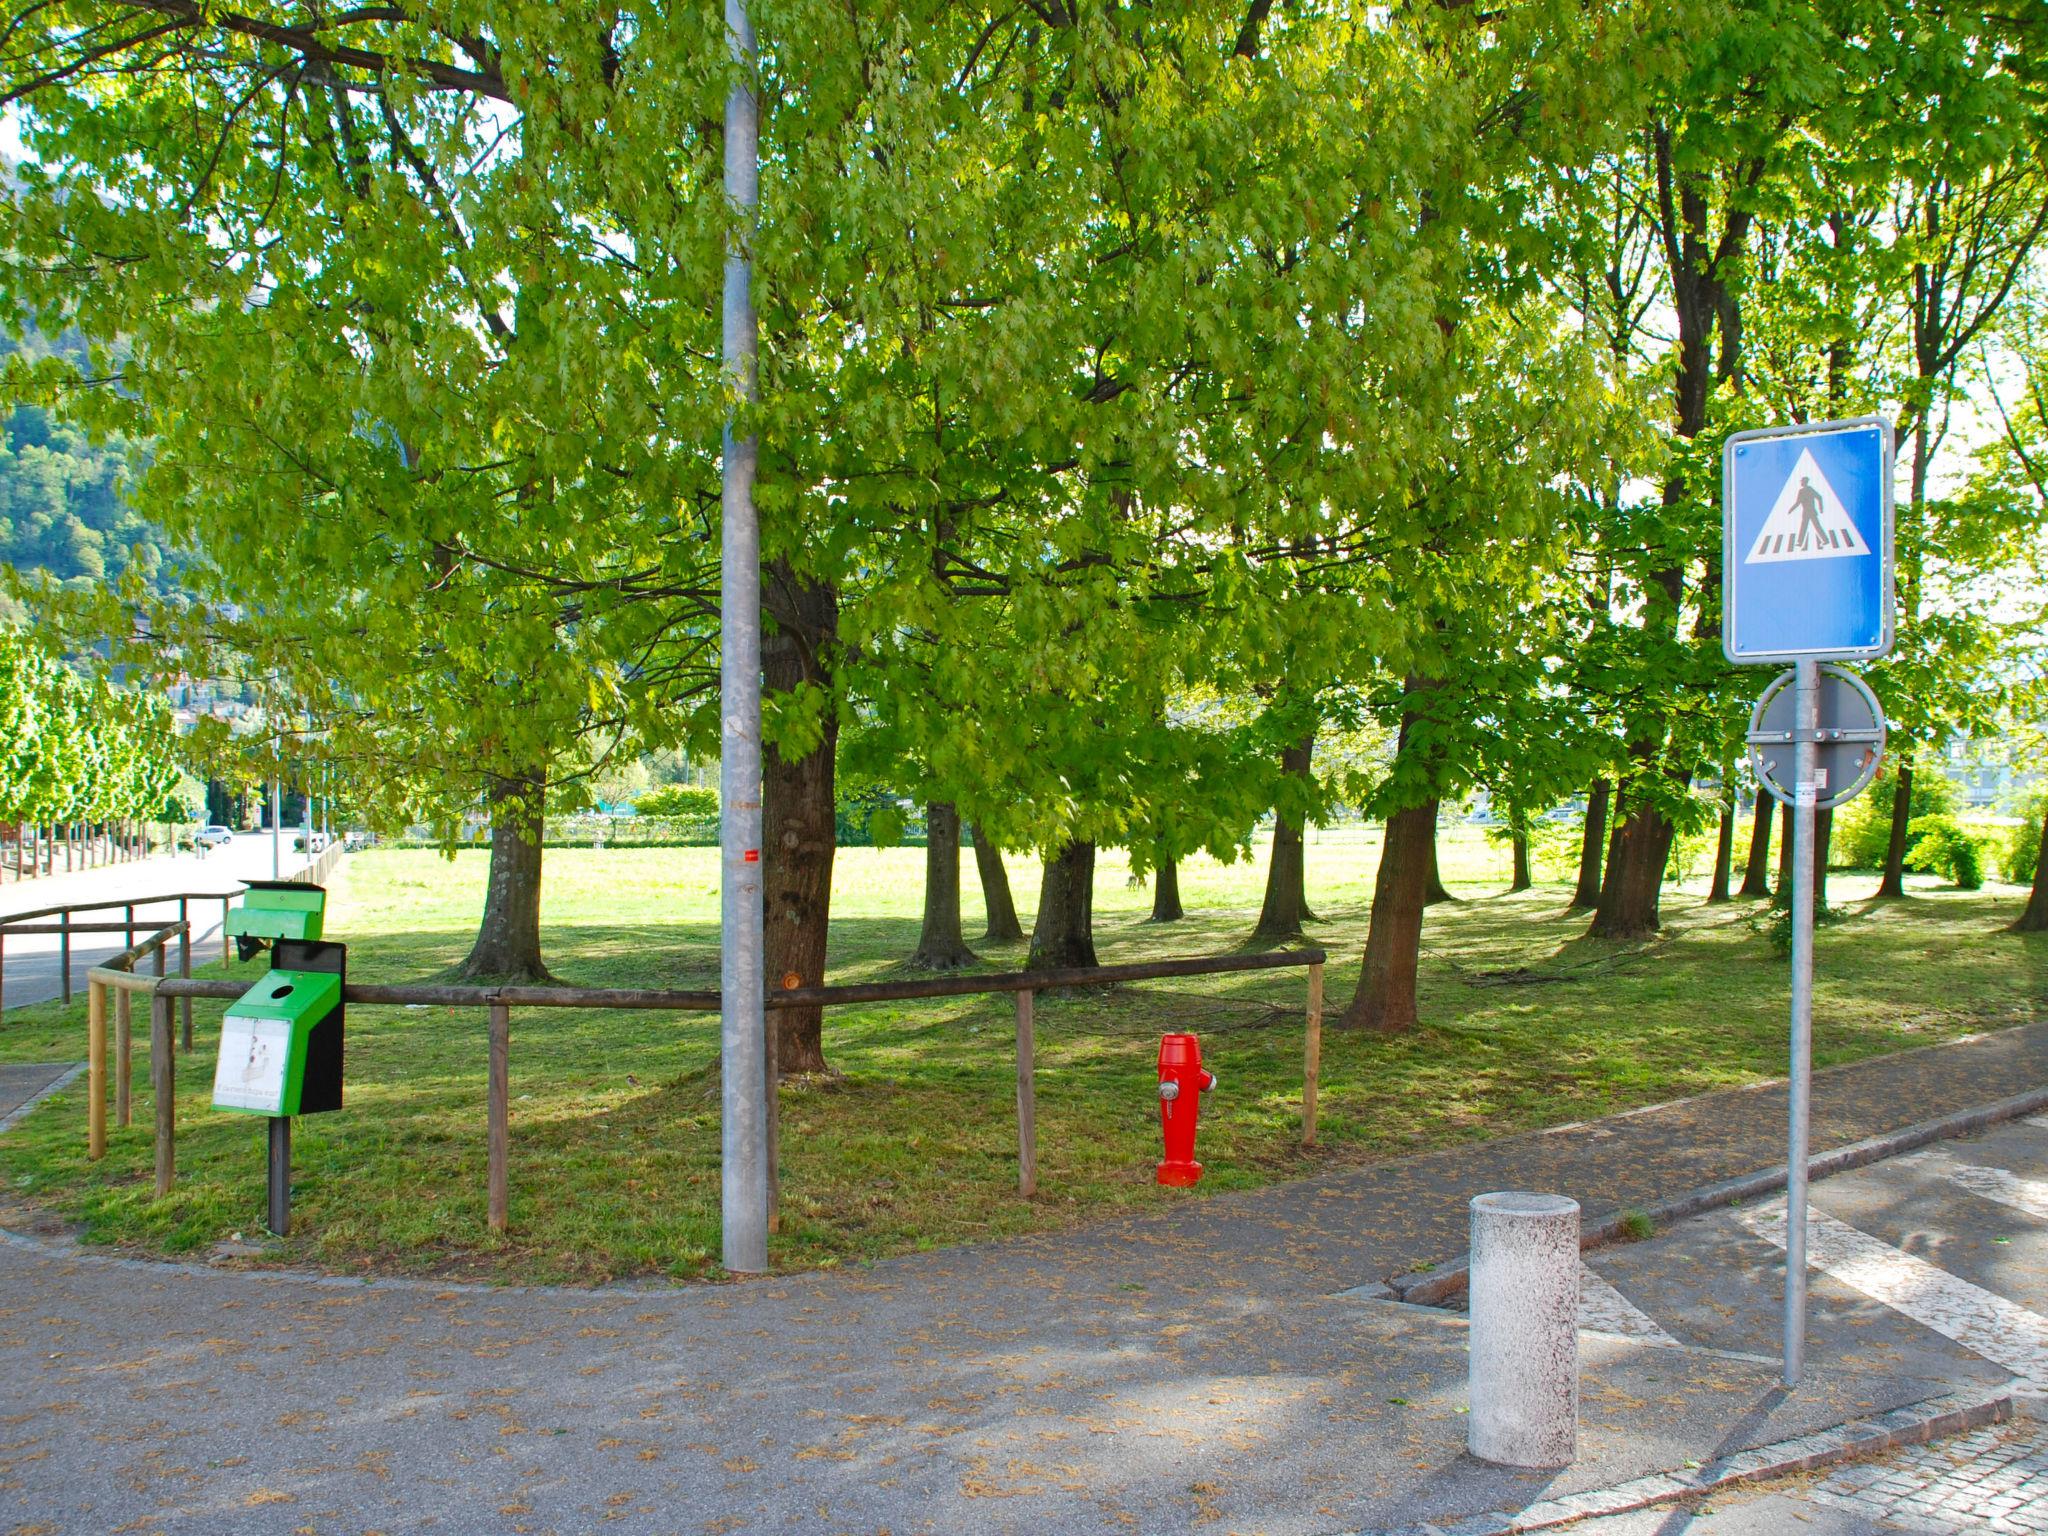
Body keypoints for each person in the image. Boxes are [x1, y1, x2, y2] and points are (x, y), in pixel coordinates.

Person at [1792, 475, 1828, 550]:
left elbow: (1819, 497)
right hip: (1806, 512)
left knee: (1816, 526)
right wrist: (1791, 509)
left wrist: (1821, 508)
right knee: (1804, 527)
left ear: (1804, 482)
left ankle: (1825, 540)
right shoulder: (1801, 491)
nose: (1801, 482)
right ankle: (1799, 542)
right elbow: (1798, 502)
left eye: (1802, 481)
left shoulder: (1810, 489)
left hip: (1811, 512)